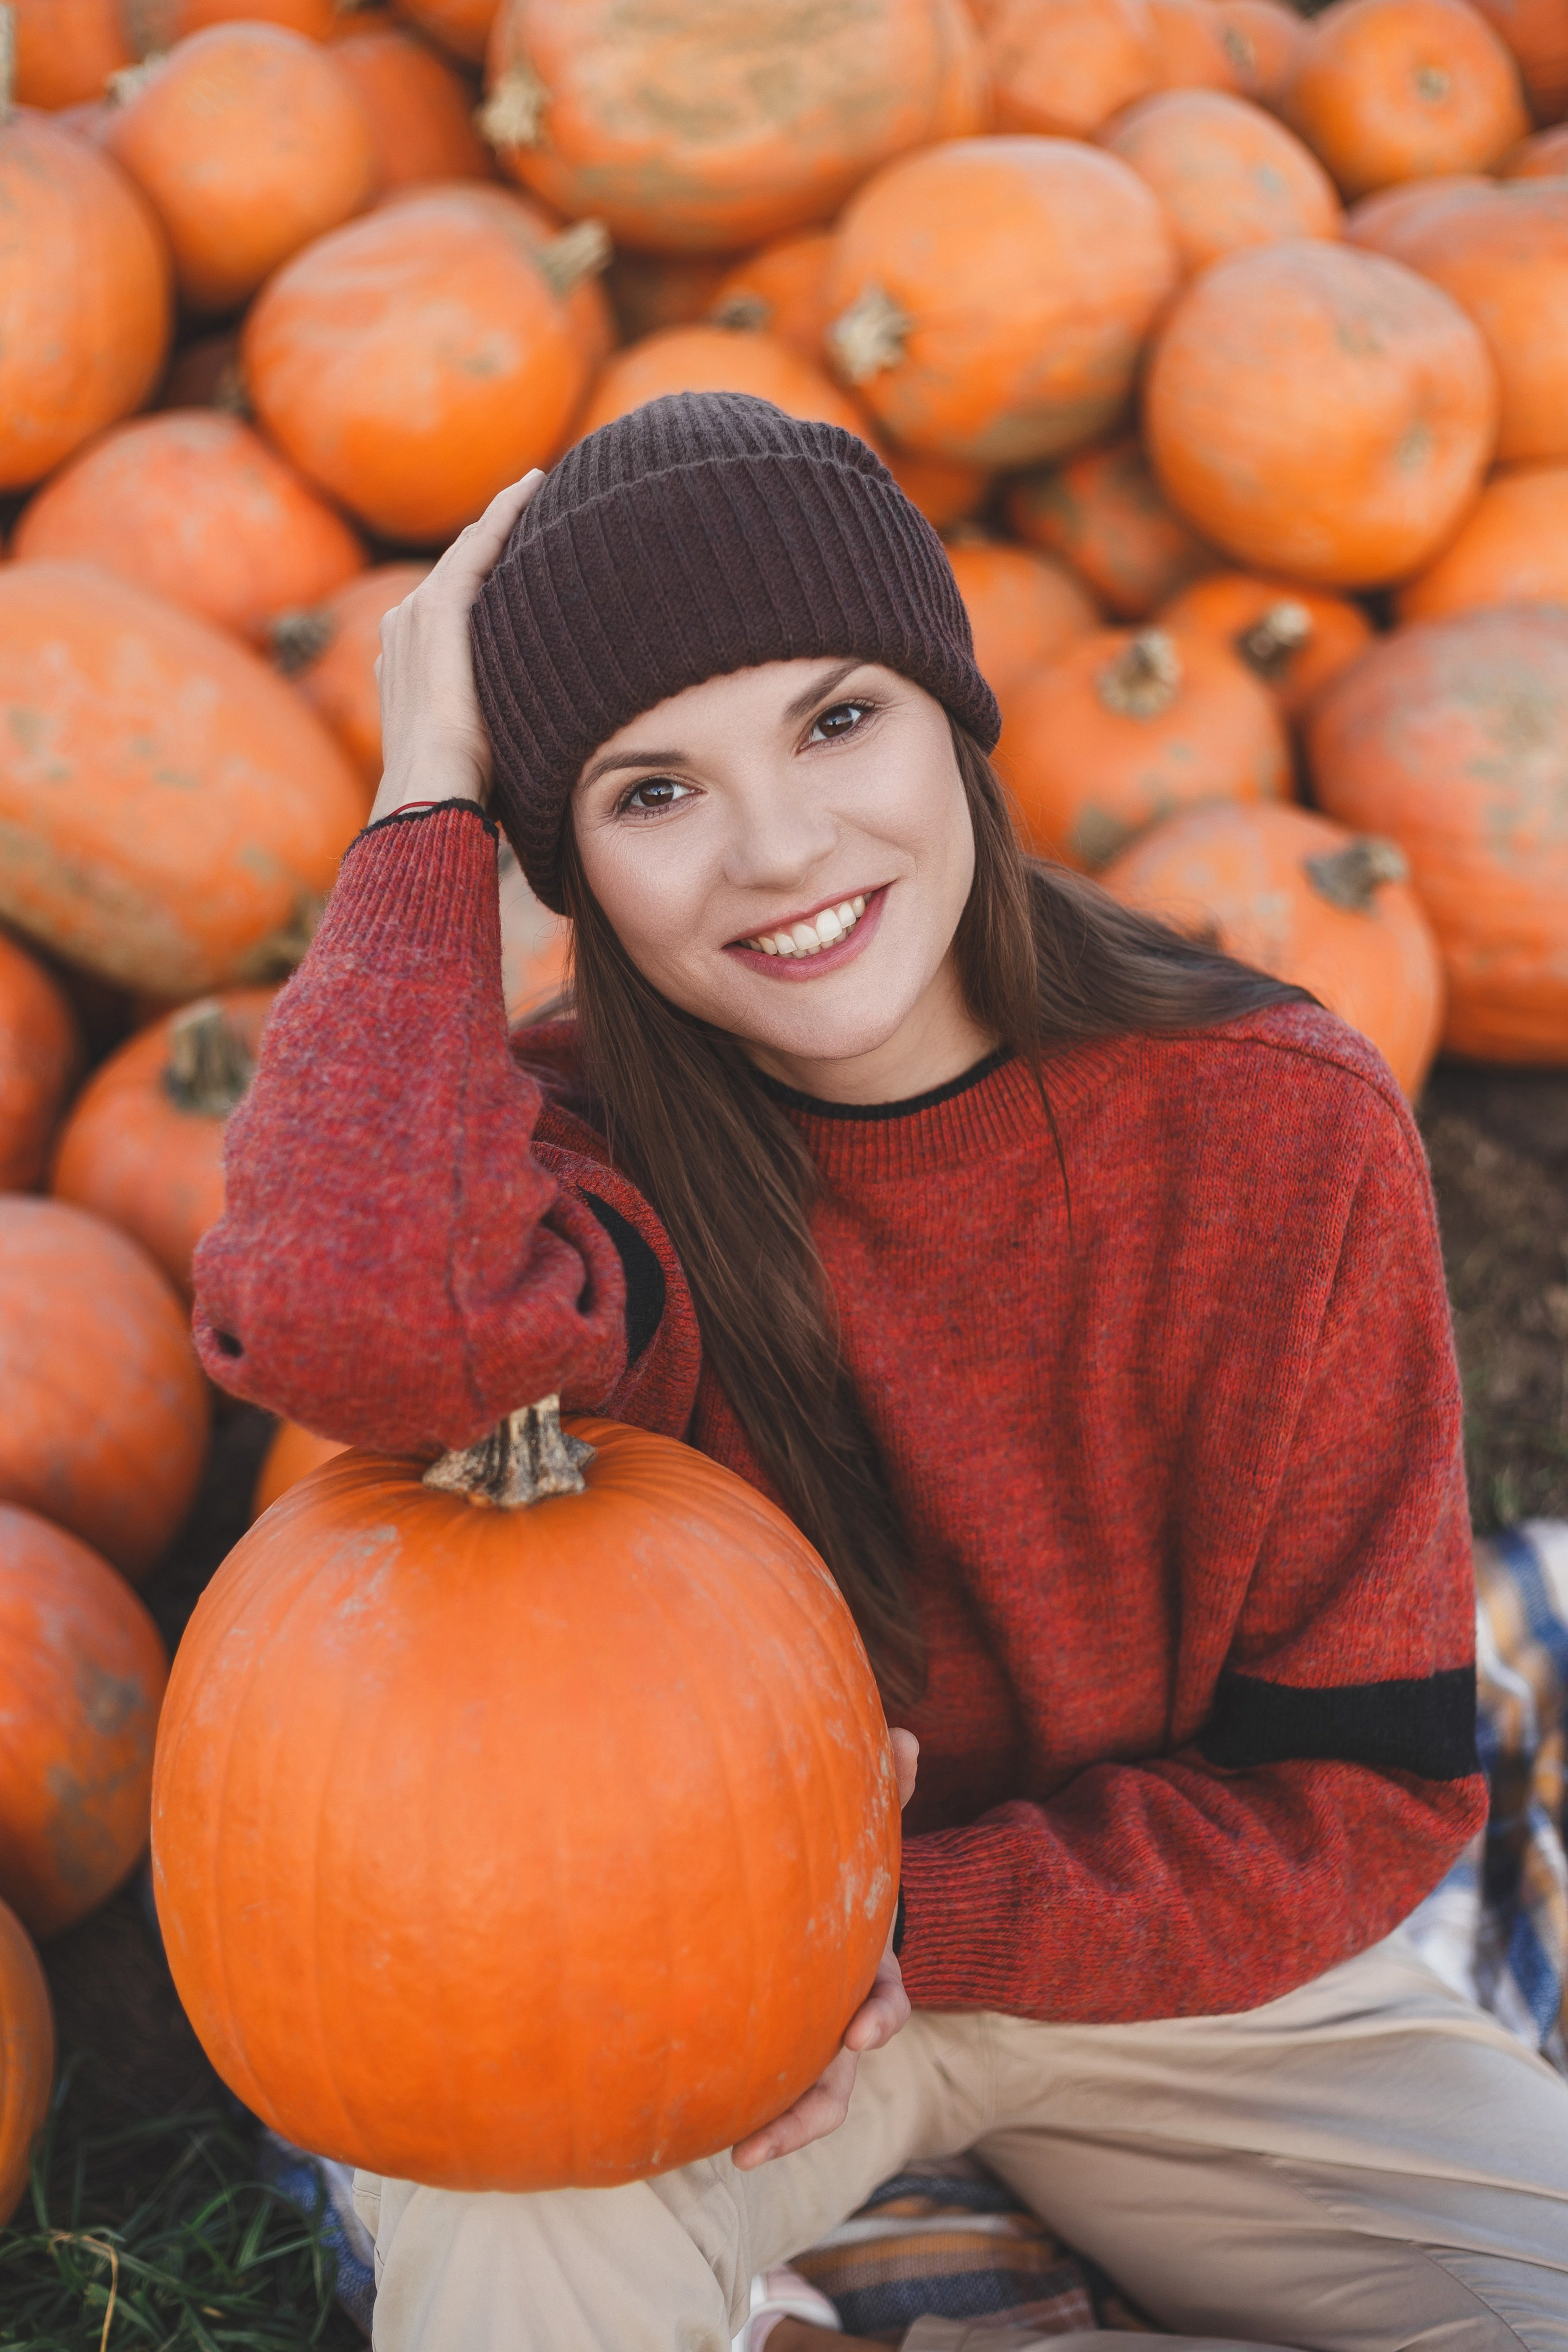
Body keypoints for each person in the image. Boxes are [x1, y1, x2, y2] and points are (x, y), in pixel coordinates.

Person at [194, 396, 1568, 2352]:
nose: (780, 846)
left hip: (1156, 1973)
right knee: (508, 2278)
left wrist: (905, 1920)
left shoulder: (1269, 1131)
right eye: (650, 793)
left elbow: (1366, 1787)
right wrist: (426, 792)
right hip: (688, 1990)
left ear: (956, 722)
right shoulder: (578, 1189)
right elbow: (339, 1323)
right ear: (560, 861)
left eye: (839, 721)